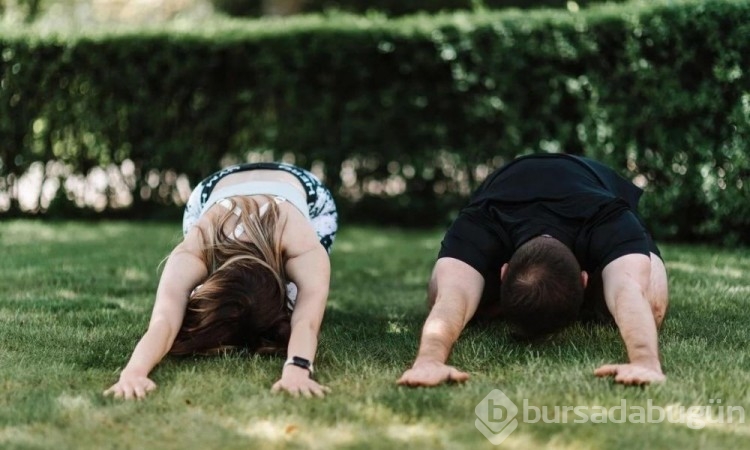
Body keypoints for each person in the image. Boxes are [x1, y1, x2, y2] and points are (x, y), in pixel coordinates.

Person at [397, 153, 668, 387]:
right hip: (506, 187)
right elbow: (450, 297)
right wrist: (428, 362)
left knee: (651, 300)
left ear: (504, 272)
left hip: (593, 183)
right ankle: (567, 299)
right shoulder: (482, 219)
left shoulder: (609, 217)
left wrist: (646, 361)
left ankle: (568, 298)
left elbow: (629, 290)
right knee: (440, 291)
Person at [104, 162, 338, 399]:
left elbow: (306, 322)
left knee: (299, 296)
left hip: (301, 192)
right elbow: (163, 321)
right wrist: (134, 372)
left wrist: (297, 370)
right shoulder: (197, 246)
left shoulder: (303, 246)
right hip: (212, 191)